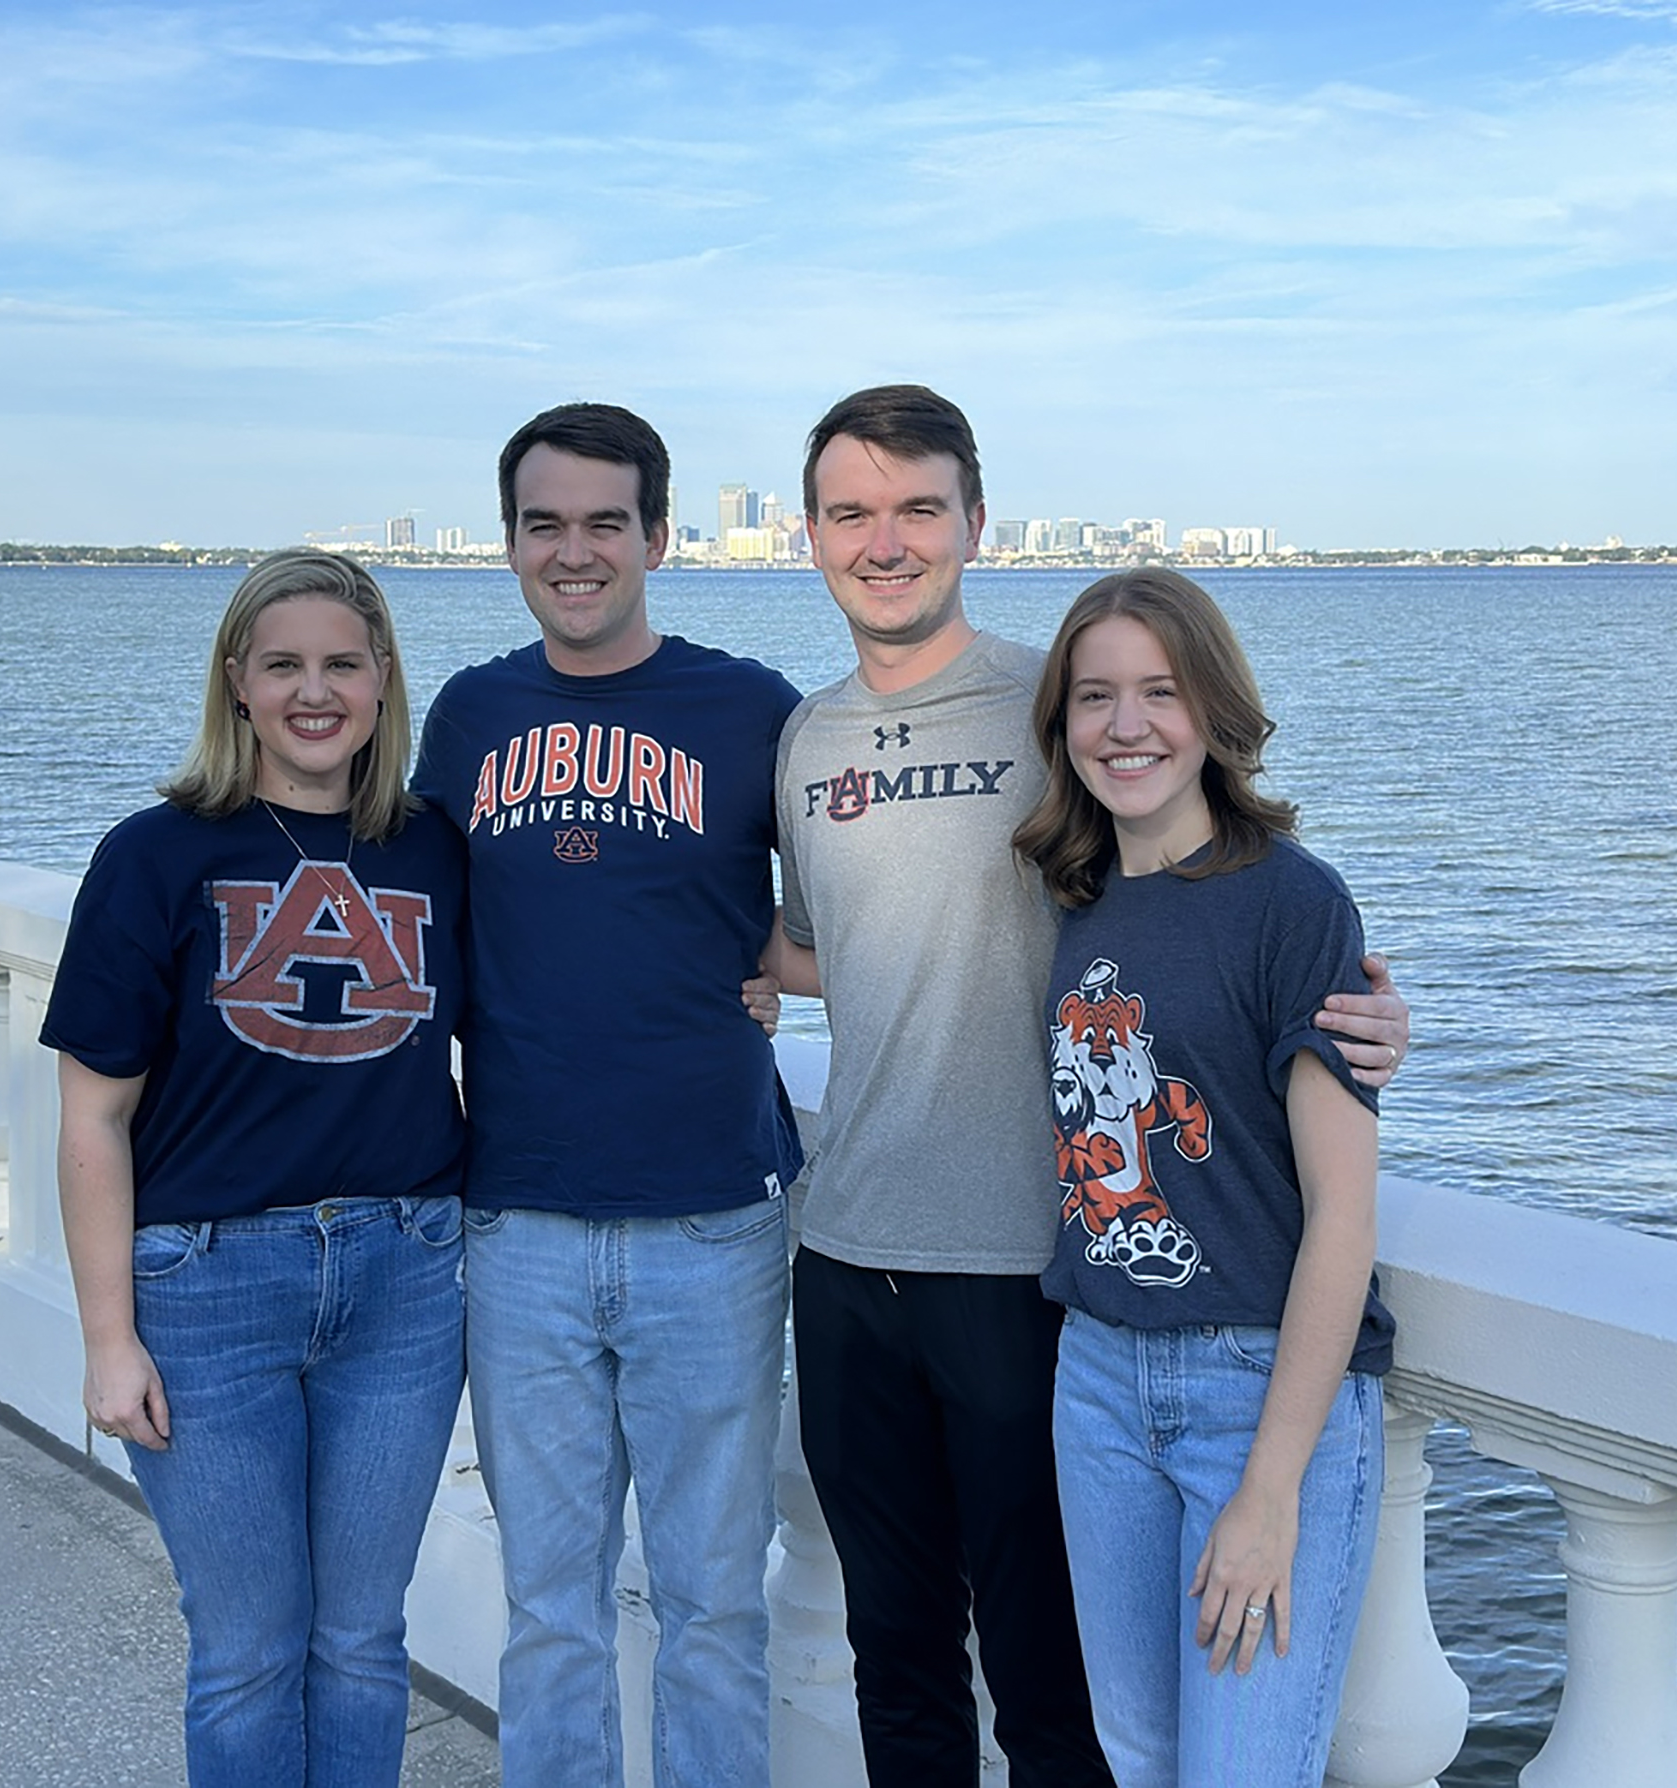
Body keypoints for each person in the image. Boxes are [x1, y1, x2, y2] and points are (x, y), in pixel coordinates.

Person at [764, 385, 1409, 1788]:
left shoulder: (1045, 705)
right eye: (849, 511)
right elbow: (830, 949)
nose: (884, 541)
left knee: (1056, 1696)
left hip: (1027, 1276)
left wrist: (1352, 1015)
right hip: (844, 1256)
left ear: (973, 523)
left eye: (917, 507)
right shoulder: (801, 741)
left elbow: (1213, 919)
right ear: (806, 535)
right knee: (899, 1660)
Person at [411, 402, 802, 1788]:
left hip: (711, 1222)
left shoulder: (749, 709)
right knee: (549, 1614)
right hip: (516, 1220)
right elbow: (410, 932)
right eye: (542, 525)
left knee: (710, 1605)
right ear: (509, 541)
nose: (570, 552)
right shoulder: (467, 716)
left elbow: (840, 920)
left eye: (600, 524)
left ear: (655, 536)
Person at [43, 550, 468, 1788]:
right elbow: (91, 1118)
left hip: (406, 1279)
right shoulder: (154, 856)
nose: (313, 691)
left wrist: (746, 982)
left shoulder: (434, 852)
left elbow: (530, 1021)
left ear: (384, 682)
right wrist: (108, 1339)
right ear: (236, 684)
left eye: (342, 663)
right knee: (245, 1649)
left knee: (362, 1637)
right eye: (282, 665)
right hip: (206, 1290)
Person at [1014, 567, 1392, 1786]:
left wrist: (1271, 1488)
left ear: (1213, 712)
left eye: (1159, 693)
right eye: (1094, 697)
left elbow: (1341, 1212)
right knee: (1139, 1757)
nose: (1126, 727)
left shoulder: (1289, 901)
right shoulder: (1069, 903)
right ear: (1061, 726)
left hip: (1256, 1393)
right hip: (1097, 1381)